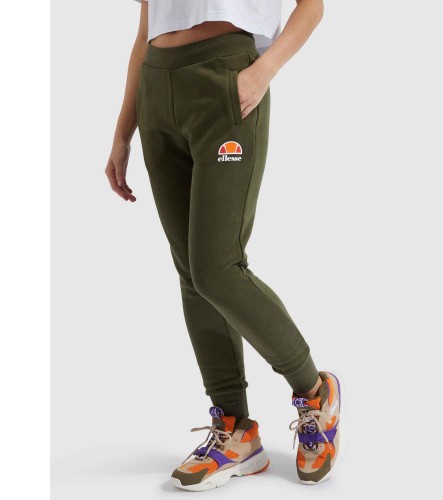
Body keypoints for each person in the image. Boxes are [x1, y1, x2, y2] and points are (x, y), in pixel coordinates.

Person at [105, 0, 340, 491]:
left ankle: (314, 391)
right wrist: (123, 131)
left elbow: (312, 7)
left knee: (218, 267)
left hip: (227, 79)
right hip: (156, 86)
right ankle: (236, 431)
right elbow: (145, 29)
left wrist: (263, 71)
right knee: (193, 274)